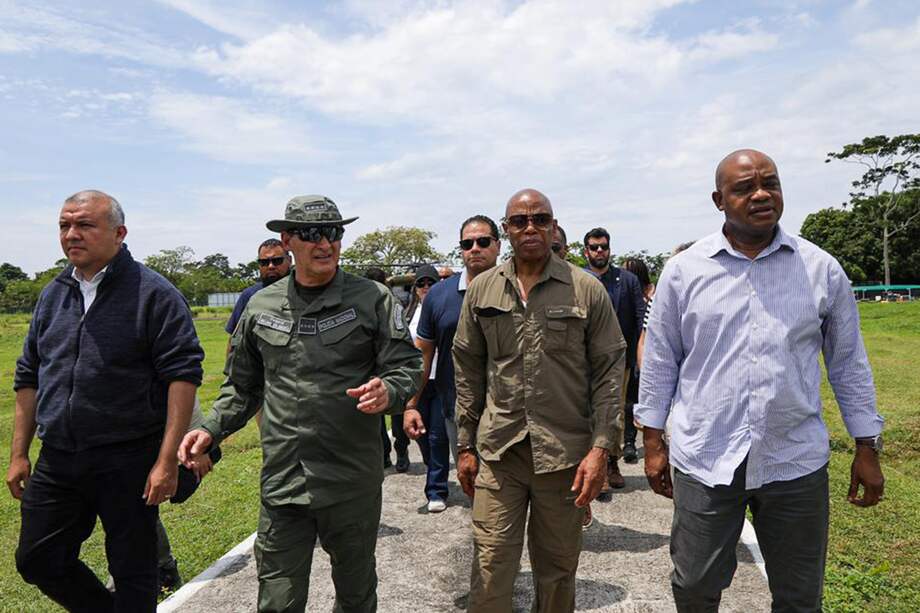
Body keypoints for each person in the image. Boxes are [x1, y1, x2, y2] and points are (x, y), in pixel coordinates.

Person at [636, 149, 885, 612]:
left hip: (794, 461)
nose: (761, 194)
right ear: (719, 199)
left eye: (770, 183)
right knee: (694, 586)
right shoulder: (685, 271)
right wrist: (653, 442)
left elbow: (849, 363)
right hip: (706, 457)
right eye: (745, 187)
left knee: (798, 596)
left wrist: (866, 446)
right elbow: (661, 361)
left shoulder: (821, 269)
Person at [178, 195, 422, 613]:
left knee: (356, 595)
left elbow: (408, 367)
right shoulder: (260, 305)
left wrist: (390, 392)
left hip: (350, 482)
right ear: (287, 239)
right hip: (284, 482)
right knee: (277, 599)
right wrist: (210, 427)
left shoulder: (373, 299)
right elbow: (242, 386)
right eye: (311, 234)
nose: (324, 243)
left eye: (333, 232)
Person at [8, 190, 204, 612]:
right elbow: (28, 375)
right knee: (38, 559)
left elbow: (182, 377)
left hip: (128, 457)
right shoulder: (53, 294)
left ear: (119, 233)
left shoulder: (154, 293)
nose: (72, 234)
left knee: (134, 571)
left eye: (84, 225)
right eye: (65, 225)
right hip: (60, 455)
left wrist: (166, 460)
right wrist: (19, 454)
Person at [452, 190, 626, 612]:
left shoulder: (586, 290)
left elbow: (610, 374)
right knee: (491, 564)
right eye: (520, 221)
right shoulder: (482, 291)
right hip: (500, 453)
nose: (531, 227)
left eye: (540, 219)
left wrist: (602, 449)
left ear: (553, 225)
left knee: (557, 571)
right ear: (506, 229)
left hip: (565, 457)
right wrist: (464, 445)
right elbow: (467, 370)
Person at [403, 216, 502, 513]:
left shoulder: (517, 289)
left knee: (506, 486)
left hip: (510, 408)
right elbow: (424, 355)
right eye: (467, 243)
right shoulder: (438, 296)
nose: (475, 248)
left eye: (483, 242)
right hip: (456, 407)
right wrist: (411, 404)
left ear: (497, 246)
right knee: (472, 479)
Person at [583, 228, 646, 483]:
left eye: (604, 247)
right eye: (595, 247)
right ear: (586, 251)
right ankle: (589, 464)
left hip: (618, 361)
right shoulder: (577, 279)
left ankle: (611, 463)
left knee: (615, 412)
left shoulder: (627, 280)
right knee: (586, 413)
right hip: (583, 360)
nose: (600, 251)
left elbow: (642, 318)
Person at [363, 267, 401, 470]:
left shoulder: (383, 302)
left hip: (379, 366)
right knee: (390, 413)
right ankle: (396, 452)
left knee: (379, 415)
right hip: (383, 365)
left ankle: (390, 453)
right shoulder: (391, 301)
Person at [225, 238, 292, 339]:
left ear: (289, 260)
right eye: (264, 262)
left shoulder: (301, 291)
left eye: (277, 261)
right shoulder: (250, 295)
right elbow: (235, 339)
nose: (270, 266)